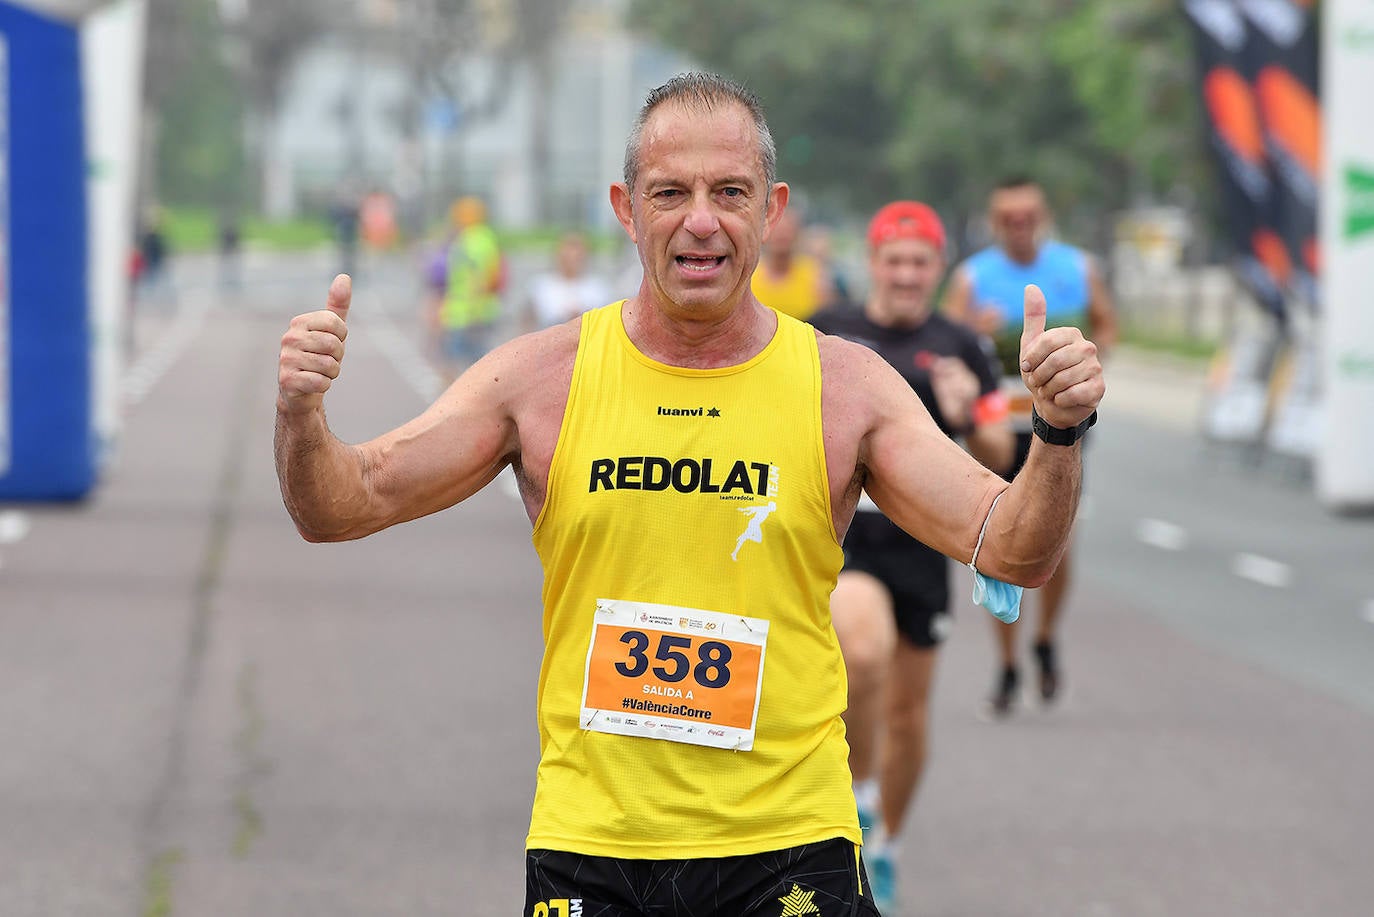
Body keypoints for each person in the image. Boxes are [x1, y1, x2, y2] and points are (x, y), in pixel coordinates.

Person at [276, 73, 1104, 916]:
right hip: (594, 846)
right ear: (626, 208)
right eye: (670, 192)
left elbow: (1012, 546)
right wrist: (301, 413)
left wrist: (1059, 431)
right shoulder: (540, 379)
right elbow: (343, 501)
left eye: (730, 193)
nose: (700, 221)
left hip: (790, 844)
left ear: (771, 209)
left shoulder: (844, 387)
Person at [810, 200, 1015, 912]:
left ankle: (887, 846)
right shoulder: (825, 331)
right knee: (861, 651)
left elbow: (1000, 455)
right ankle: (859, 800)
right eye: (893, 261)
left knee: (907, 711)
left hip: (924, 541)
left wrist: (966, 412)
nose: (904, 275)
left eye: (918, 262)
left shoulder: (961, 343)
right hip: (847, 536)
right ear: (873, 263)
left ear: (936, 269)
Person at [942, 174, 1119, 717]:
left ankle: (1043, 640)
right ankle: (1007, 661)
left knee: (1059, 541)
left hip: (1062, 420)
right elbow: (944, 343)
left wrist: (1083, 371)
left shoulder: (1078, 268)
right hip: (999, 424)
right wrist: (971, 328)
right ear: (994, 223)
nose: (1019, 229)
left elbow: (1108, 328)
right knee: (995, 540)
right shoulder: (972, 278)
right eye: (1008, 220)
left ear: (1043, 218)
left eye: (1028, 218)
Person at [431, 195, 504, 379]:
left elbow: (475, 279)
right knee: (479, 365)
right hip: (482, 310)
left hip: (466, 313)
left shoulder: (468, 242)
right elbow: (493, 276)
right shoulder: (487, 239)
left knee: (456, 365)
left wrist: (471, 310)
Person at [750, 207, 829, 320]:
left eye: (787, 231)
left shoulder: (815, 274)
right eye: (778, 230)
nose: (782, 236)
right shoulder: (750, 275)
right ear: (765, 232)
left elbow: (826, 319)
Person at [525, 231, 611, 329]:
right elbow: (529, 322)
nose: (572, 258)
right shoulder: (541, 286)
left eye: (577, 255)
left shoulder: (598, 288)